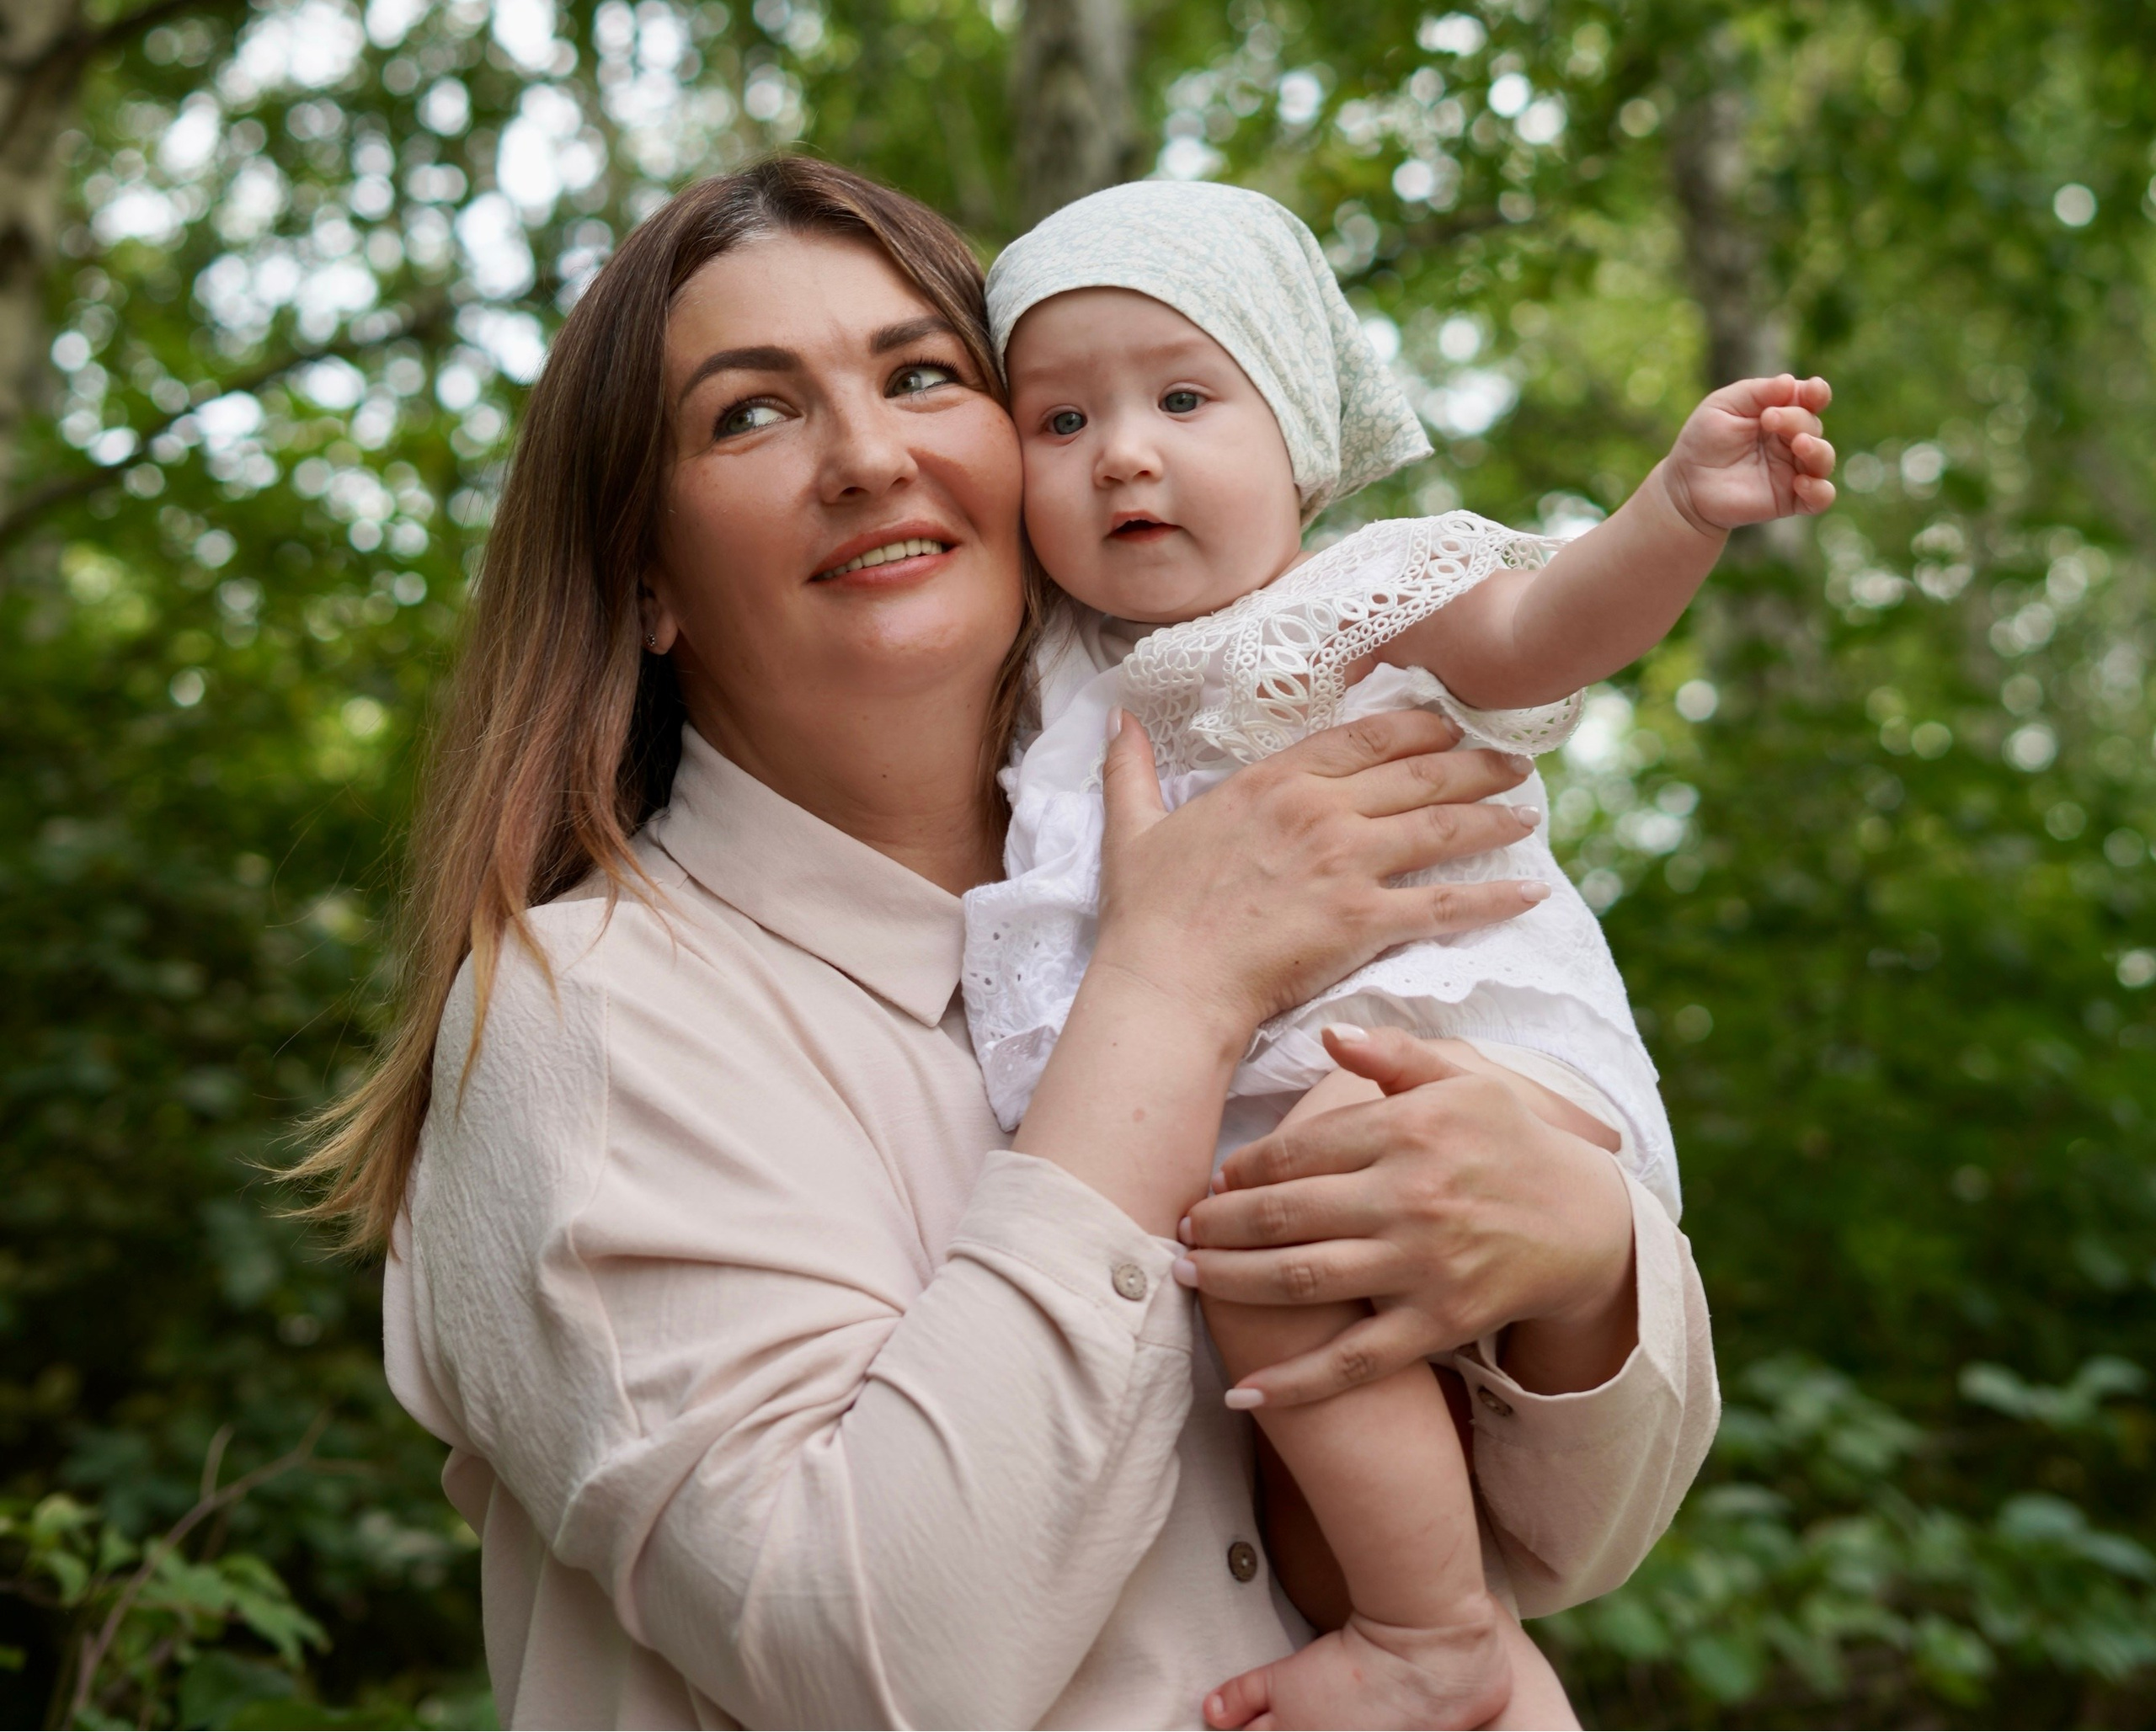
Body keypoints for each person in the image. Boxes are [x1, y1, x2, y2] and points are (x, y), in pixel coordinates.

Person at [303, 157, 1721, 1731]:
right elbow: (874, 1661)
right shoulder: (586, 1009)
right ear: (645, 576)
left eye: (921, 375)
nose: (867, 454)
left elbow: (1576, 1535)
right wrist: (1170, 991)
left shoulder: (1232, 845)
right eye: (751, 413)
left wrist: (1581, 1251)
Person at [969, 177, 1833, 1731]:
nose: (1127, 453)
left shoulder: (1346, 599)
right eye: (1059, 421)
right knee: (1296, 1450)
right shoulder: (1045, 684)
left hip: (1440, 1065)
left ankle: (1437, 1638)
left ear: (1298, 433)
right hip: (1236, 1154)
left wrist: (1677, 510)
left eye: (1181, 396)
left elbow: (1542, 628)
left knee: (1303, 1212)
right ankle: (1443, 1644)